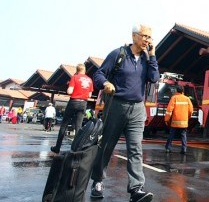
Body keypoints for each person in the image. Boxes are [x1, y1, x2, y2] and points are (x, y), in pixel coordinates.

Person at [90, 24, 160, 202]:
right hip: (116, 106)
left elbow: (154, 78)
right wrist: (106, 83)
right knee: (106, 145)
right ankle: (97, 181)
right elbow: (99, 74)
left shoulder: (147, 59)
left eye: (149, 37)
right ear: (134, 36)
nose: (147, 40)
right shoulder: (118, 54)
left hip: (137, 109)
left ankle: (136, 189)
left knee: (136, 148)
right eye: (144, 36)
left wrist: (152, 56)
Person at [51, 63, 94, 154]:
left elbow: (69, 91)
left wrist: (71, 88)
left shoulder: (74, 77)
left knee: (64, 125)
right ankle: (76, 149)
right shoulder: (89, 80)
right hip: (83, 104)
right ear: (84, 70)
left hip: (74, 102)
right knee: (78, 126)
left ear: (77, 70)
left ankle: (57, 147)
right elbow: (90, 95)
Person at [164, 85, 193, 154]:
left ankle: (168, 148)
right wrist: (188, 117)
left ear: (177, 90)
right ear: (183, 91)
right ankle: (184, 149)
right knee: (183, 135)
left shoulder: (174, 98)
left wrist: (166, 119)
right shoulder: (187, 99)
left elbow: (169, 110)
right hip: (184, 121)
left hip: (175, 121)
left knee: (171, 134)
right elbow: (191, 110)